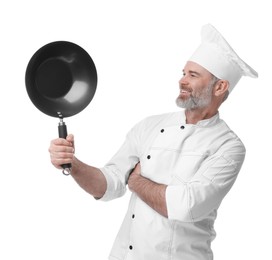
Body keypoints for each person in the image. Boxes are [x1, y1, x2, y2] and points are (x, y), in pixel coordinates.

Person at [49, 24, 258, 260]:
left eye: (193, 75)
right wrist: (72, 163)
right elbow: (109, 184)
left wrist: (136, 181)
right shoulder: (149, 126)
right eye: (183, 73)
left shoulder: (228, 146)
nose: (182, 81)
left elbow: (185, 206)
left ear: (220, 86)